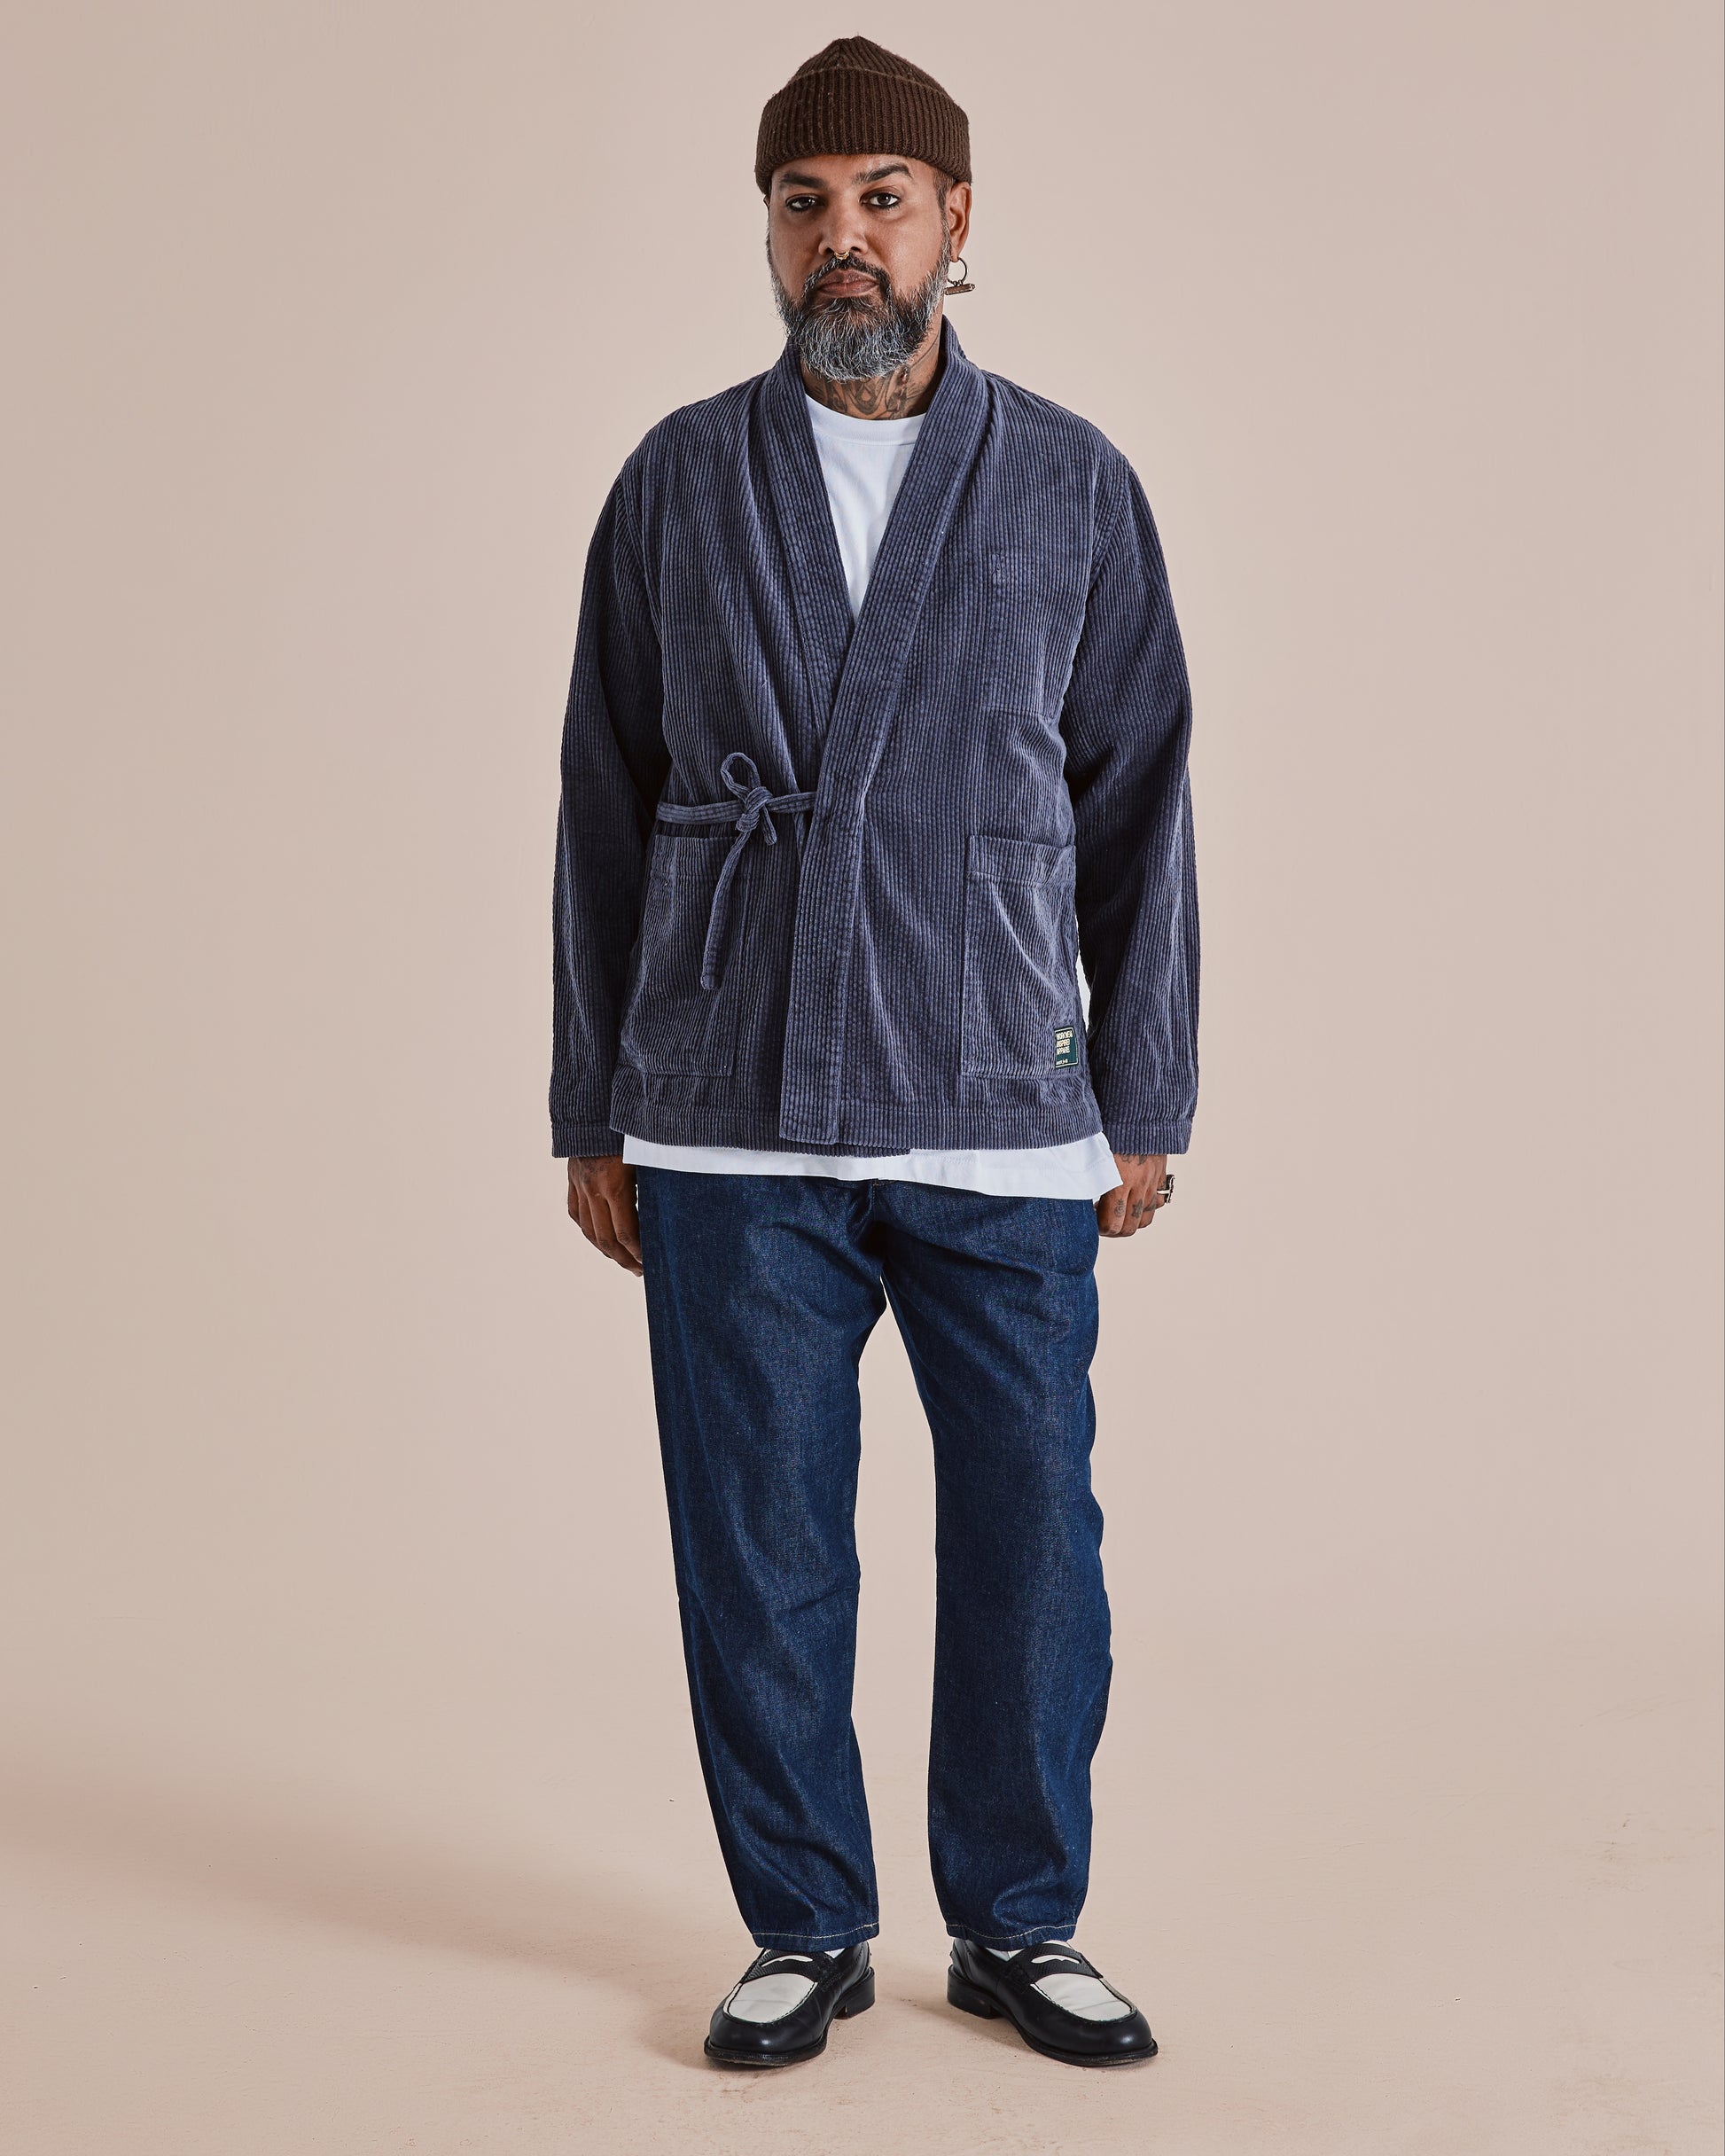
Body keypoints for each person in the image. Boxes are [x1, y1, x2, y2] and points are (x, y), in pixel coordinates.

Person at [550, 36, 1197, 2071]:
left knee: (1032, 1540)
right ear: (769, 228)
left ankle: (1016, 1919)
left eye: (883, 199)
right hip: (727, 1099)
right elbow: (599, 799)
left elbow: (1140, 799)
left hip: (998, 1090)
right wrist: (592, 1100)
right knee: (756, 1540)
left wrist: (1144, 1092)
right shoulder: (675, 480)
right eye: (806, 201)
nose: (846, 237)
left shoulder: (1071, 482)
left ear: (955, 222)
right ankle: (805, 1923)